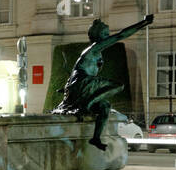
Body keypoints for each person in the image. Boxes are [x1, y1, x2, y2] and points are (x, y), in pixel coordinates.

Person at [53, 15, 154, 150]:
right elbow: (120, 35)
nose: (108, 36)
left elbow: (73, 71)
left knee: (104, 106)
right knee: (118, 85)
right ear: (98, 35)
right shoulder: (94, 48)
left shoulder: (96, 51)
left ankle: (95, 138)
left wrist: (66, 88)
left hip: (81, 83)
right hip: (84, 81)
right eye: (106, 34)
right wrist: (144, 23)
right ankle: (89, 103)